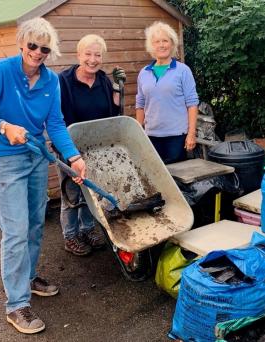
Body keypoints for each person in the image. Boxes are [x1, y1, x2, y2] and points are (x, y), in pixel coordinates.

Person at [0, 18, 86, 335]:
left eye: (44, 48)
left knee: (34, 224)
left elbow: (56, 124)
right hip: (5, 160)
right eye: (32, 45)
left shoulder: (51, 81)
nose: (37, 52)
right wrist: (2, 126)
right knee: (16, 230)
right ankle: (16, 305)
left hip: (35, 159)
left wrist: (74, 156)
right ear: (22, 43)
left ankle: (28, 278)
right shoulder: (2, 71)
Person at [57, 34, 126, 256]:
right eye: (88, 54)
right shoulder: (64, 81)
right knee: (71, 195)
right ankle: (70, 236)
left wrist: (118, 88)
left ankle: (87, 229)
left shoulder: (104, 80)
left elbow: (113, 113)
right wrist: (70, 154)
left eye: (97, 55)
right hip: (69, 147)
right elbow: (57, 118)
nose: (93, 59)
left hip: (96, 148)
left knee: (90, 193)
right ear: (79, 55)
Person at [135, 21, 199, 164]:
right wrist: (139, 133)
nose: (161, 45)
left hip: (176, 137)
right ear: (152, 46)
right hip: (150, 136)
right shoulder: (144, 73)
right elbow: (140, 104)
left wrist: (191, 134)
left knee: (176, 177)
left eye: (165, 41)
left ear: (172, 44)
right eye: (157, 41)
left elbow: (192, 103)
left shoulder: (183, 71)